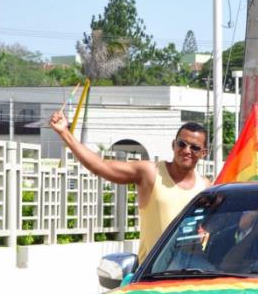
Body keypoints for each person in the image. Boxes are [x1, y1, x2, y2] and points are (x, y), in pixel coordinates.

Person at [48, 111, 210, 262]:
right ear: (173, 145)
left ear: (203, 153)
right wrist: (64, 133)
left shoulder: (206, 187)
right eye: (182, 144)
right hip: (152, 278)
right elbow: (100, 166)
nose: (187, 151)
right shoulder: (150, 173)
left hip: (192, 277)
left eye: (195, 147)